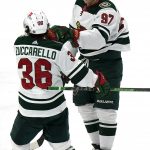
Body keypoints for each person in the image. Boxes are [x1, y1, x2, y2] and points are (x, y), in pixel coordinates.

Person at [10, 10, 110, 150]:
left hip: (27, 111)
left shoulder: (18, 44)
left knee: (17, 143)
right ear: (47, 27)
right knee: (63, 146)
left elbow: (36, 51)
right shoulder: (58, 49)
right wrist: (98, 81)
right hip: (54, 110)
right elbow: (80, 75)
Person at [47, 0, 130, 149]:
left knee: (106, 109)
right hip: (85, 60)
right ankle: (97, 146)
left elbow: (98, 39)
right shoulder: (78, 4)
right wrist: (66, 65)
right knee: (84, 105)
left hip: (108, 61)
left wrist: (72, 33)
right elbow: (72, 41)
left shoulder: (107, 10)